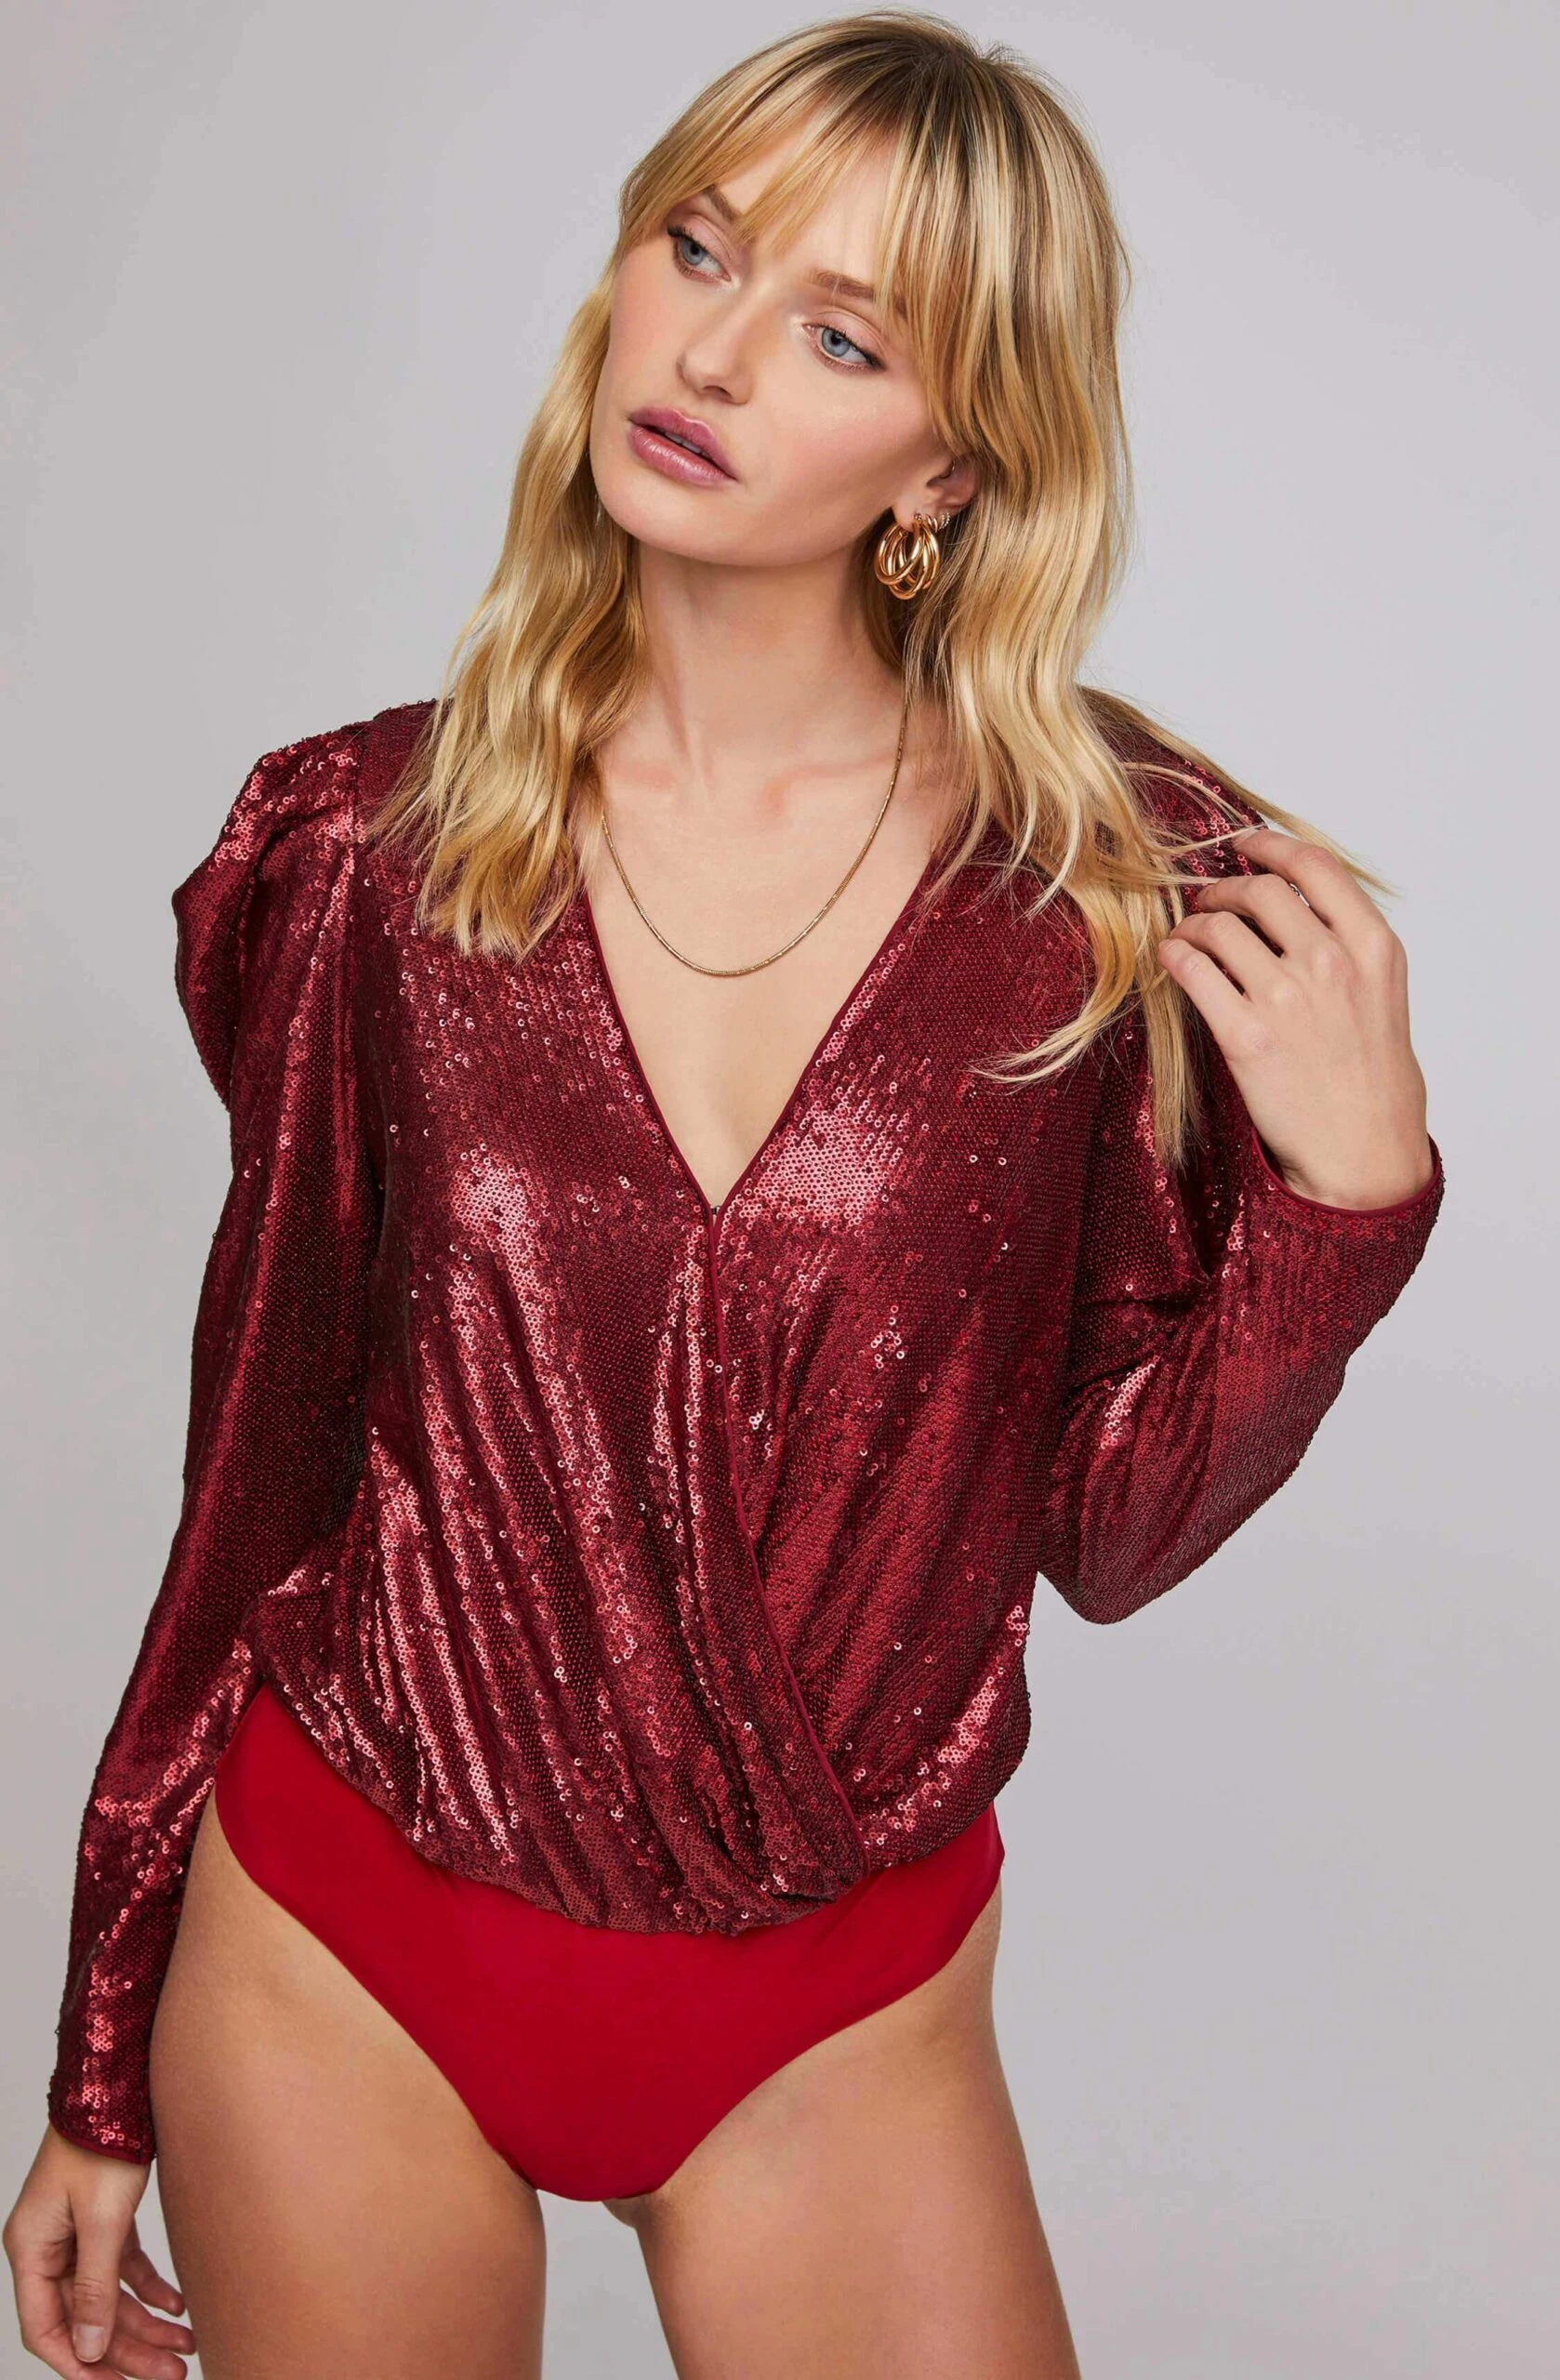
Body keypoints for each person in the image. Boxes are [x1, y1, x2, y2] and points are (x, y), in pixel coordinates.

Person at [5, 13, 1443, 2378]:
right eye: (698, 248)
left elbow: (1101, 1534)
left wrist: (1345, 1208)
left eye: (841, 334)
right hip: (347, 1940)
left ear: (952, 463)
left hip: (832, 2016)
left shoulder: (1113, 904)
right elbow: (258, 1455)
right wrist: (99, 2043)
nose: (712, 352)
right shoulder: (368, 851)